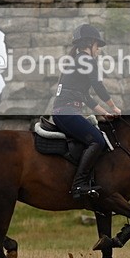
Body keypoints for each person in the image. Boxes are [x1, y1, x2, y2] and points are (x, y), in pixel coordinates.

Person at [52, 24, 122, 198]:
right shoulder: (88, 60)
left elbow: (85, 96)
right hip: (67, 112)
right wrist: (113, 107)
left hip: (63, 112)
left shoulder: (76, 61)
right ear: (90, 43)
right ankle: (78, 185)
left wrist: (104, 112)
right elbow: (98, 86)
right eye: (97, 46)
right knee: (97, 141)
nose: (98, 50)